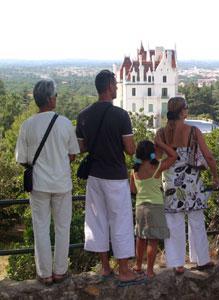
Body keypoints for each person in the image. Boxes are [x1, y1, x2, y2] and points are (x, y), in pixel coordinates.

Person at [76, 70, 144, 287]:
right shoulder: (121, 115)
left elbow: (81, 147)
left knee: (97, 221)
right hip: (115, 177)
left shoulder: (83, 115)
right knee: (121, 220)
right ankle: (124, 270)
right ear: (108, 87)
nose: (117, 88)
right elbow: (131, 149)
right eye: (115, 85)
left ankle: (105, 268)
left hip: (94, 176)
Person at [15, 79, 80, 285]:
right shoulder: (65, 123)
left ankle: (44, 274)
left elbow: (22, 159)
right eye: (56, 96)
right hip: (61, 184)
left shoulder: (27, 125)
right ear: (51, 99)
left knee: (41, 228)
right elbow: (72, 154)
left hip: (39, 186)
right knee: (63, 227)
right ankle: (60, 271)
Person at [155, 97, 219, 275]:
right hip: (192, 183)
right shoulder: (193, 131)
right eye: (186, 108)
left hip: (170, 183)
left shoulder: (161, 133)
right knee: (196, 220)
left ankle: (176, 263)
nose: (188, 110)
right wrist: (215, 176)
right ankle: (201, 259)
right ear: (182, 111)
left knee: (173, 222)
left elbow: (155, 159)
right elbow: (209, 156)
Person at [130, 140, 177, 278]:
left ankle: (138, 266)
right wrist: (162, 144)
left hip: (139, 206)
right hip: (155, 206)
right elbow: (173, 156)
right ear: (152, 152)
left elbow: (132, 189)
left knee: (140, 237)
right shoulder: (157, 166)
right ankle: (150, 271)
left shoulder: (134, 170)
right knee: (153, 239)